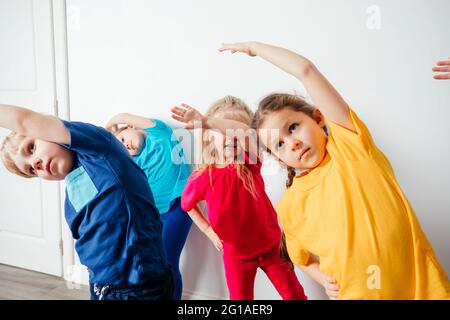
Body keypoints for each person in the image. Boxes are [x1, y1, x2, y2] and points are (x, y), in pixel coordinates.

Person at [220, 41, 450, 299]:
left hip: (423, 290)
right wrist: (322, 278)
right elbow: (300, 258)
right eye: (280, 144)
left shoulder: (351, 145)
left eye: (293, 127)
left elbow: (306, 70)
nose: (293, 143)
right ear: (280, 159)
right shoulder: (290, 205)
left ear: (319, 118)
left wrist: (254, 48)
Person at [0, 104, 173, 300]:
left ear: (46, 130)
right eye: (31, 170)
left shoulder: (98, 149)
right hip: (103, 287)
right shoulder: (70, 201)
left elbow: (26, 121)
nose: (36, 164)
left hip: (140, 284)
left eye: (31, 148)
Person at [170, 96, 307, 300]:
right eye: (222, 132)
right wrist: (208, 230)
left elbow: (248, 133)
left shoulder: (251, 163)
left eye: (235, 131)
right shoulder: (203, 176)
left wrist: (208, 121)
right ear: (209, 136)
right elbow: (187, 204)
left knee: (294, 295)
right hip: (236, 258)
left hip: (272, 247)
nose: (231, 137)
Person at [105, 113, 192, 300]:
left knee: (169, 262)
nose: (125, 146)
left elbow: (123, 115)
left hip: (177, 208)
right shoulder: (129, 162)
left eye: (123, 139)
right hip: (149, 216)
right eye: (121, 147)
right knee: (151, 266)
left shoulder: (160, 134)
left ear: (131, 127)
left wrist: (111, 125)